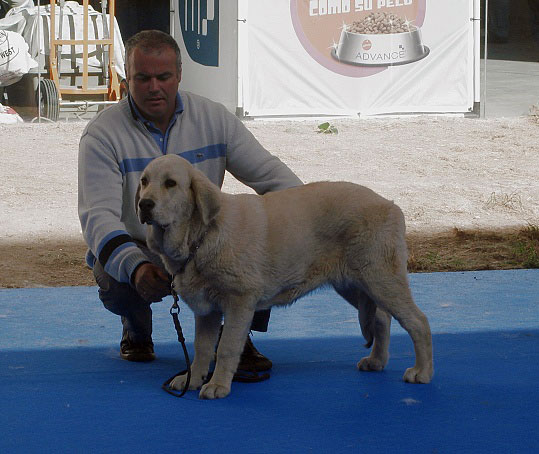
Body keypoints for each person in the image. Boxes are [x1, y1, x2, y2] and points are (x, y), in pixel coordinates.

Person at [78, 30, 302, 376]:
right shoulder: (101, 135)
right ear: (127, 79)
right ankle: (136, 325)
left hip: (206, 245)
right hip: (145, 246)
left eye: (163, 77)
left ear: (179, 76)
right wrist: (136, 267)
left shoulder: (214, 118)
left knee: (262, 245)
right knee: (115, 279)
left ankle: (236, 337)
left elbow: (270, 174)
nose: (154, 86)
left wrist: (310, 213)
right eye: (143, 78)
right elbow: (98, 218)